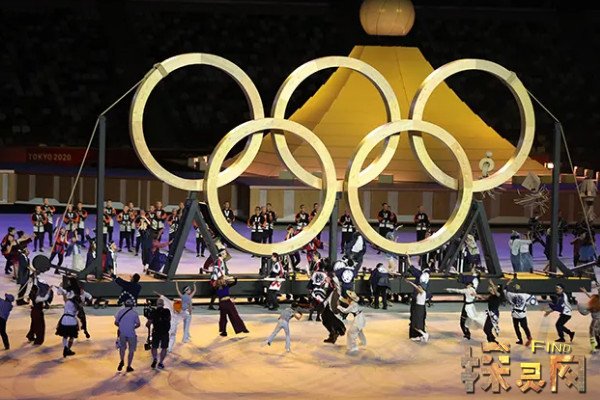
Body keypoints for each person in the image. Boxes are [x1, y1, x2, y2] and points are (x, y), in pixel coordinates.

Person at [446, 273, 485, 340]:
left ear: (470, 284)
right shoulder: (473, 289)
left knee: (462, 322)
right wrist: (479, 297)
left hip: (467, 307)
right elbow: (476, 296)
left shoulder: (467, 290)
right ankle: (467, 333)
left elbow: (458, 291)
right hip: (471, 307)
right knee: (468, 320)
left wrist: (449, 289)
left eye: (467, 284)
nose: (466, 285)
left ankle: (467, 334)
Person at [503, 278, 536, 346]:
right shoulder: (525, 295)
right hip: (522, 315)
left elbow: (504, 290)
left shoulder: (511, 295)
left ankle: (520, 340)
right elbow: (533, 301)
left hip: (515, 315)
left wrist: (508, 283)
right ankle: (529, 337)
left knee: (516, 328)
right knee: (525, 327)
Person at [115, 298, 140, 372]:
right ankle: (129, 366)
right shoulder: (134, 313)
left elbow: (116, 322)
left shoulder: (120, 312)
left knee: (122, 348)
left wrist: (121, 326)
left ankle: (122, 360)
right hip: (131, 334)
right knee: (131, 350)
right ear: (132, 305)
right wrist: (132, 327)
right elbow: (138, 324)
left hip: (122, 333)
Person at [54, 286, 80, 358]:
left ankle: (65, 347)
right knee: (72, 337)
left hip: (64, 320)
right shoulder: (77, 305)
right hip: (72, 321)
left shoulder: (67, 301)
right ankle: (68, 349)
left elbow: (64, 295)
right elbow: (77, 314)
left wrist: (60, 288)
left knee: (65, 336)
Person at [146, 297, 171, 369]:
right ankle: (161, 363)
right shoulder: (167, 311)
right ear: (163, 304)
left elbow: (148, 323)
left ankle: (155, 359)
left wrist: (149, 325)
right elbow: (169, 319)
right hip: (165, 332)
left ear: (156, 304)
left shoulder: (153, 312)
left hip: (156, 332)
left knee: (154, 347)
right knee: (164, 347)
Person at [405, 278, 428, 342]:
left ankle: (424, 334)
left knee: (416, 324)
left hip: (419, 309)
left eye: (420, 286)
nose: (418, 287)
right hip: (418, 308)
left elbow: (416, 287)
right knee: (414, 324)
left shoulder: (423, 292)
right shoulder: (420, 293)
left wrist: (411, 283)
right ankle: (420, 336)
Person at [578, 286, 600, 354]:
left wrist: (589, 309)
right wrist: (585, 292)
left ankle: (593, 348)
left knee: (592, 332)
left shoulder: (596, 299)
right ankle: (598, 345)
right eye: (599, 291)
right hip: (596, 319)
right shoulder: (595, 297)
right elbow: (591, 297)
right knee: (596, 333)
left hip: (596, 320)